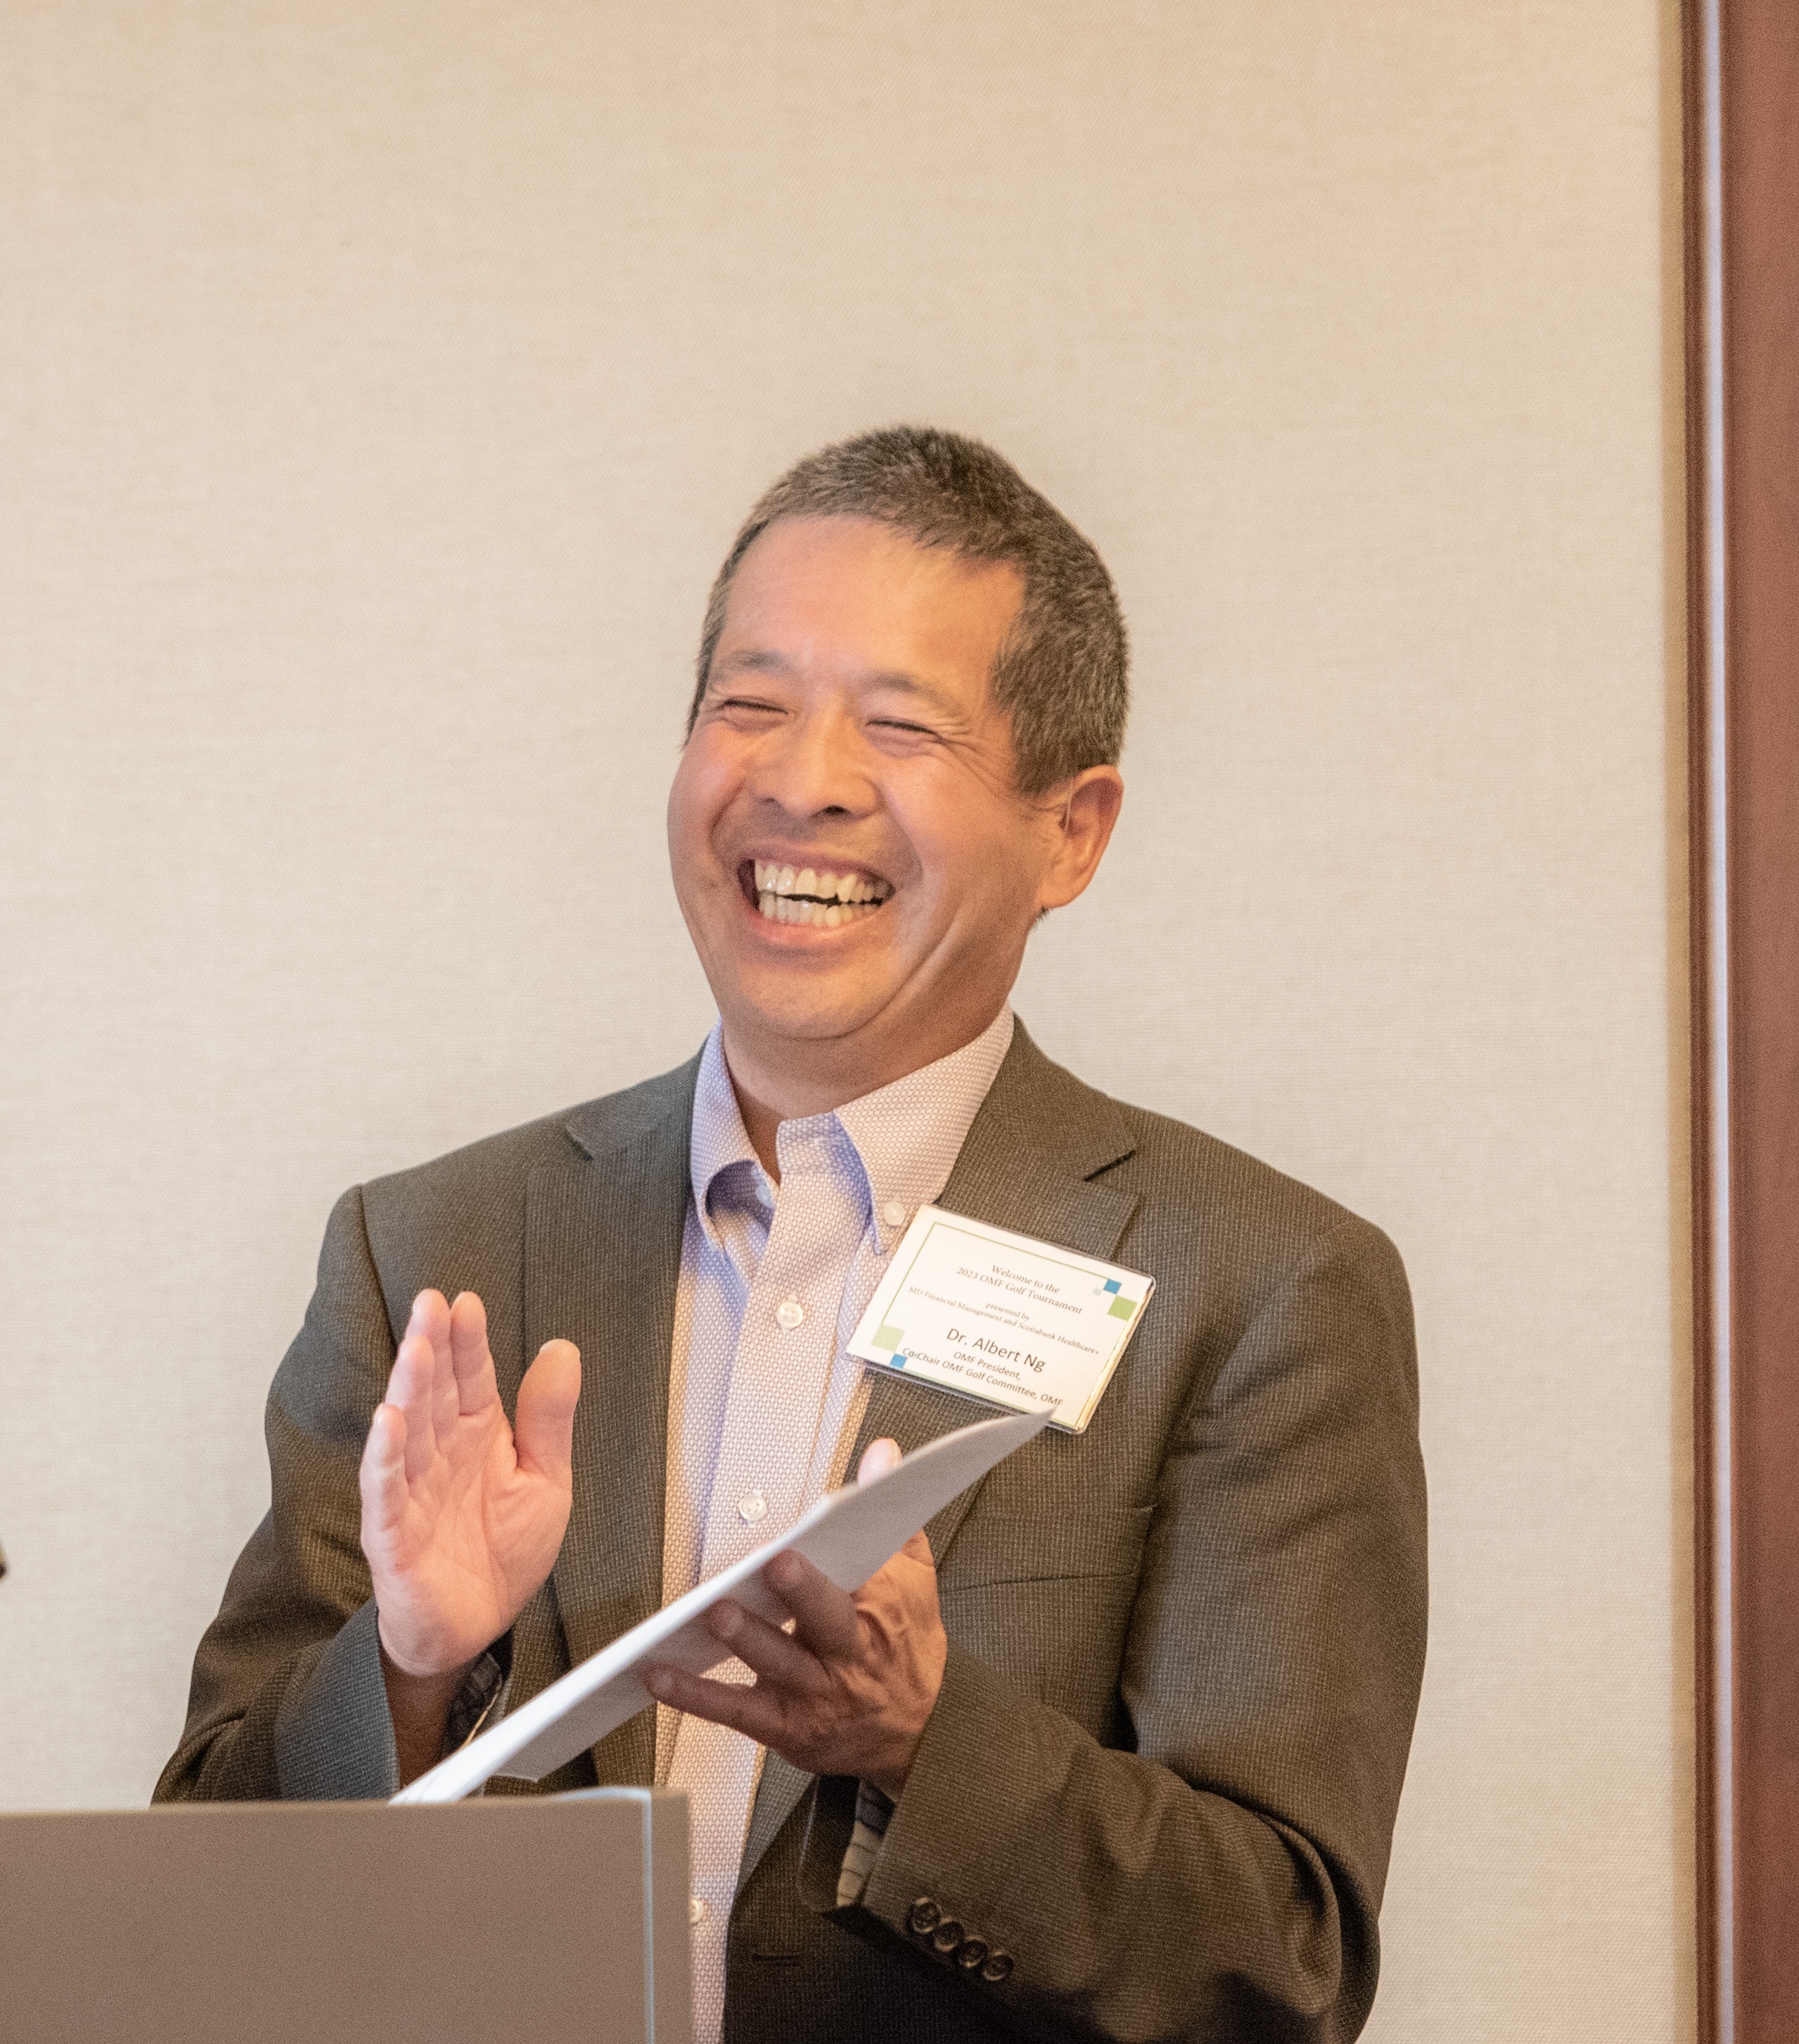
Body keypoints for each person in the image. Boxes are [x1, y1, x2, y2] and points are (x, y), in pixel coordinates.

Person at [156, 427, 1425, 2044]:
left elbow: (1280, 1965)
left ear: (1072, 830)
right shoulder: (435, 1248)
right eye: (749, 705)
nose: (802, 778)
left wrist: (923, 1739)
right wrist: (406, 1672)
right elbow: (200, 1882)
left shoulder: (1254, 1291)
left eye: (899, 724)